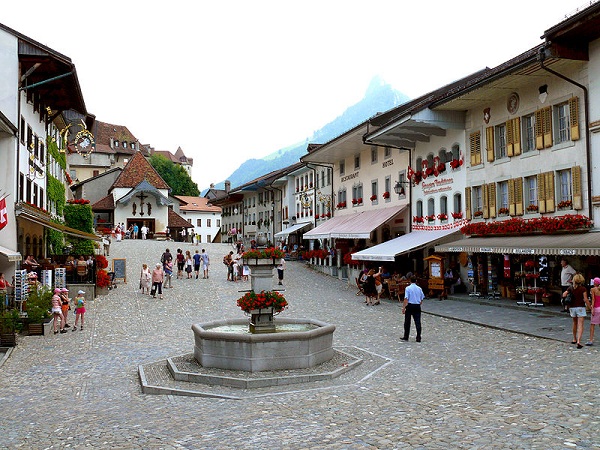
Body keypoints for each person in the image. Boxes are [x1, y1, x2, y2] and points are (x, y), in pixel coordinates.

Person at [562, 273, 591, 349]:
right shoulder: (583, 289)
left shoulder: (570, 288)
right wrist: (590, 307)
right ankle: (578, 340)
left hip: (572, 307)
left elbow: (564, 295)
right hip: (580, 307)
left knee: (574, 323)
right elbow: (585, 299)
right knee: (580, 324)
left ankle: (574, 338)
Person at [402, 275, 425, 342]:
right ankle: (418, 337)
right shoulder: (419, 288)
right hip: (417, 306)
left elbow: (406, 298)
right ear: (416, 281)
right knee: (418, 322)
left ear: (410, 280)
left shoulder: (408, 288)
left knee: (407, 321)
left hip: (410, 305)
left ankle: (406, 336)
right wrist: (419, 303)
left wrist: (403, 307)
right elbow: (422, 298)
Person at [586, 277, 600, 346]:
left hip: (596, 308)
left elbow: (593, 300)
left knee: (592, 325)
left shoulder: (593, 289)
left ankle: (591, 340)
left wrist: (592, 308)